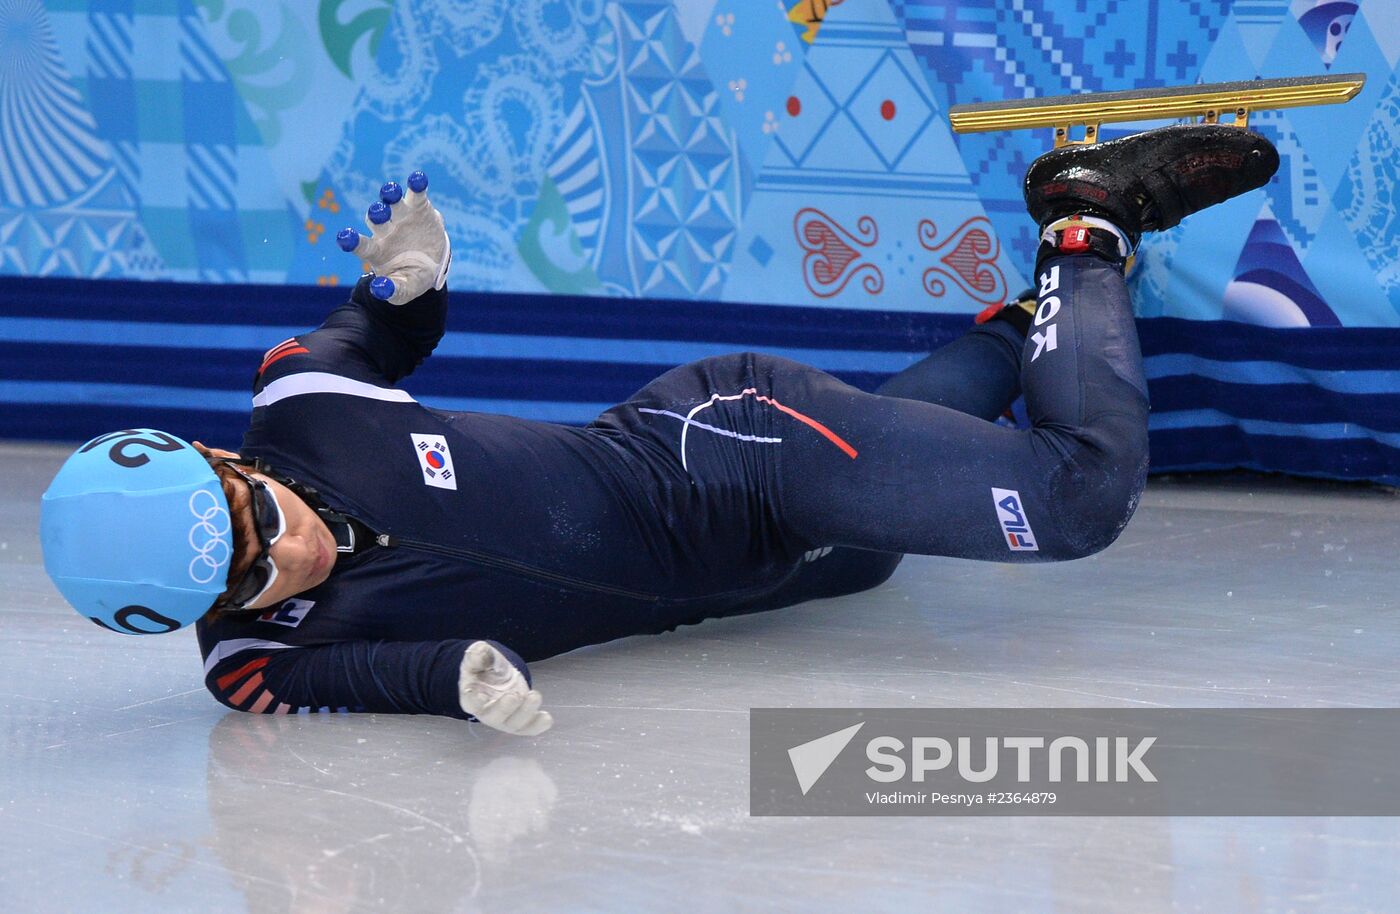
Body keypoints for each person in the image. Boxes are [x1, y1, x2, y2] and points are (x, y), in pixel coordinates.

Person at [40, 125, 1279, 736]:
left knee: (1074, 499)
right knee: (878, 532)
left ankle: (1084, 221)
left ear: (223, 459)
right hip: (735, 571)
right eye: (249, 575)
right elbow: (377, 675)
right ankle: (1029, 322)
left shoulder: (297, 403)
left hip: (722, 439)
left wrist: (405, 279)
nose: (287, 552)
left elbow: (382, 332)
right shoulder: (250, 664)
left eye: (257, 514)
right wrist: (468, 681)